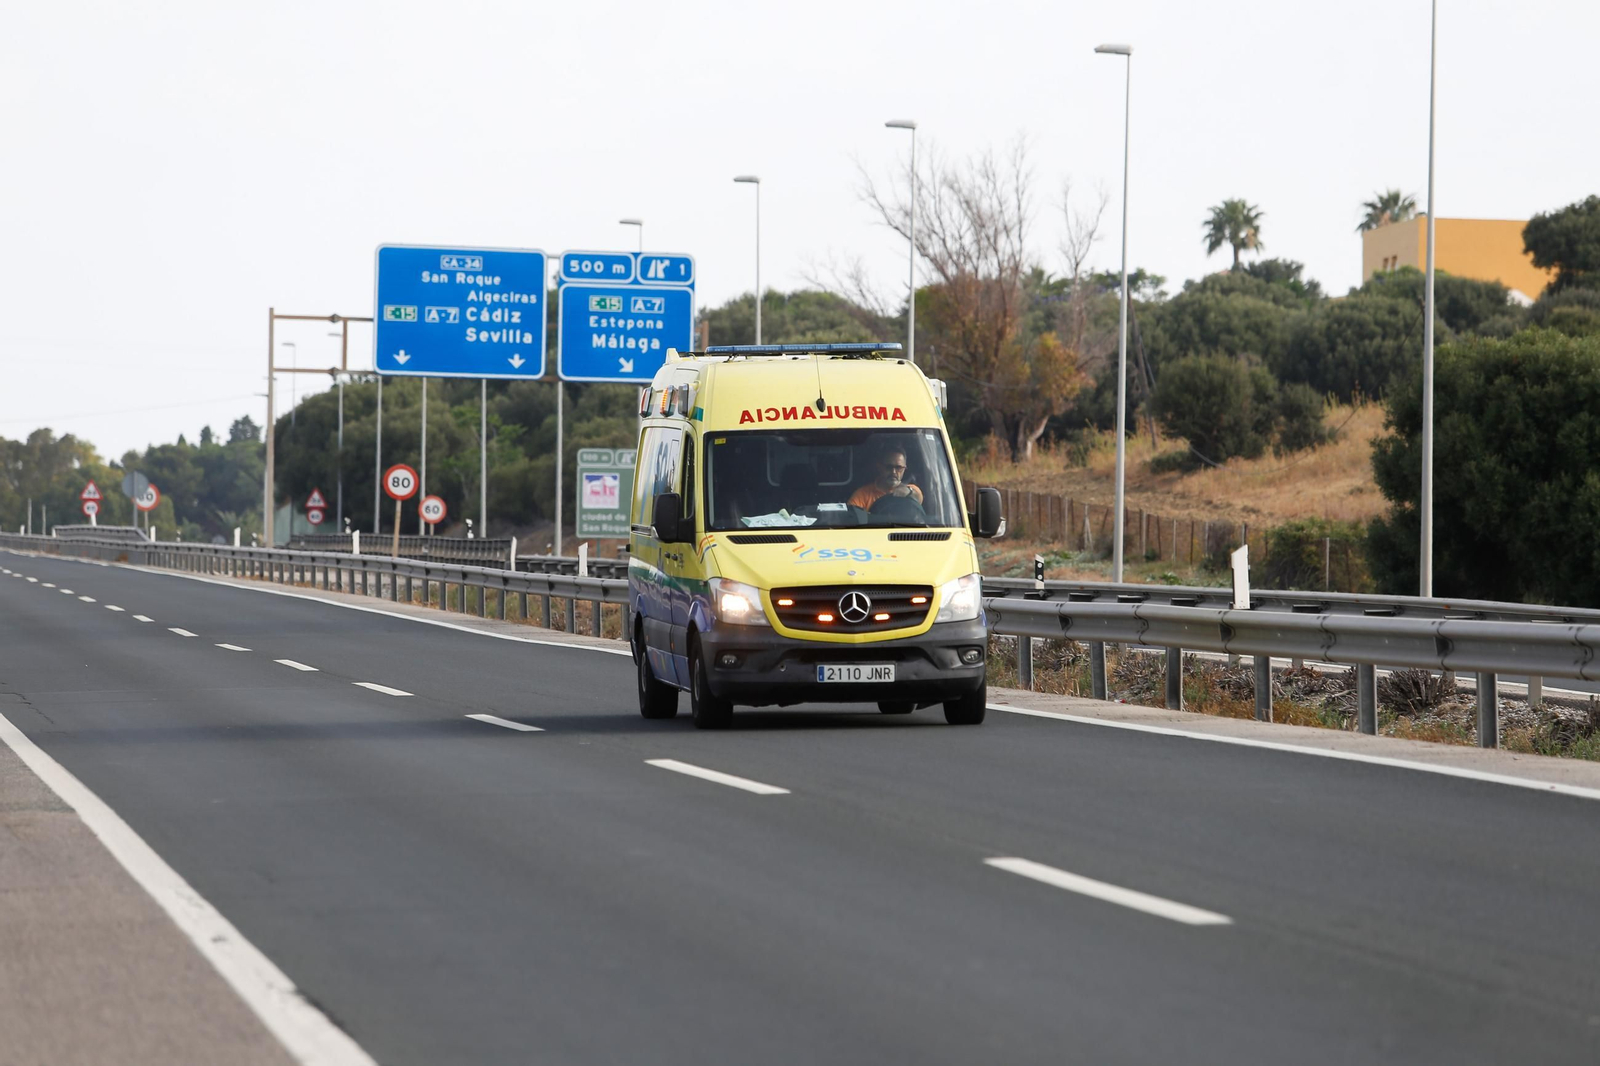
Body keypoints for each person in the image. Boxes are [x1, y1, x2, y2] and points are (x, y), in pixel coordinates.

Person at [848, 446, 923, 510]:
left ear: (904, 469)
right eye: (889, 467)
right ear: (880, 467)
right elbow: (851, 518)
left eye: (898, 467)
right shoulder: (862, 495)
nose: (893, 472)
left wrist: (909, 492)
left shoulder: (912, 490)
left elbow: (917, 496)